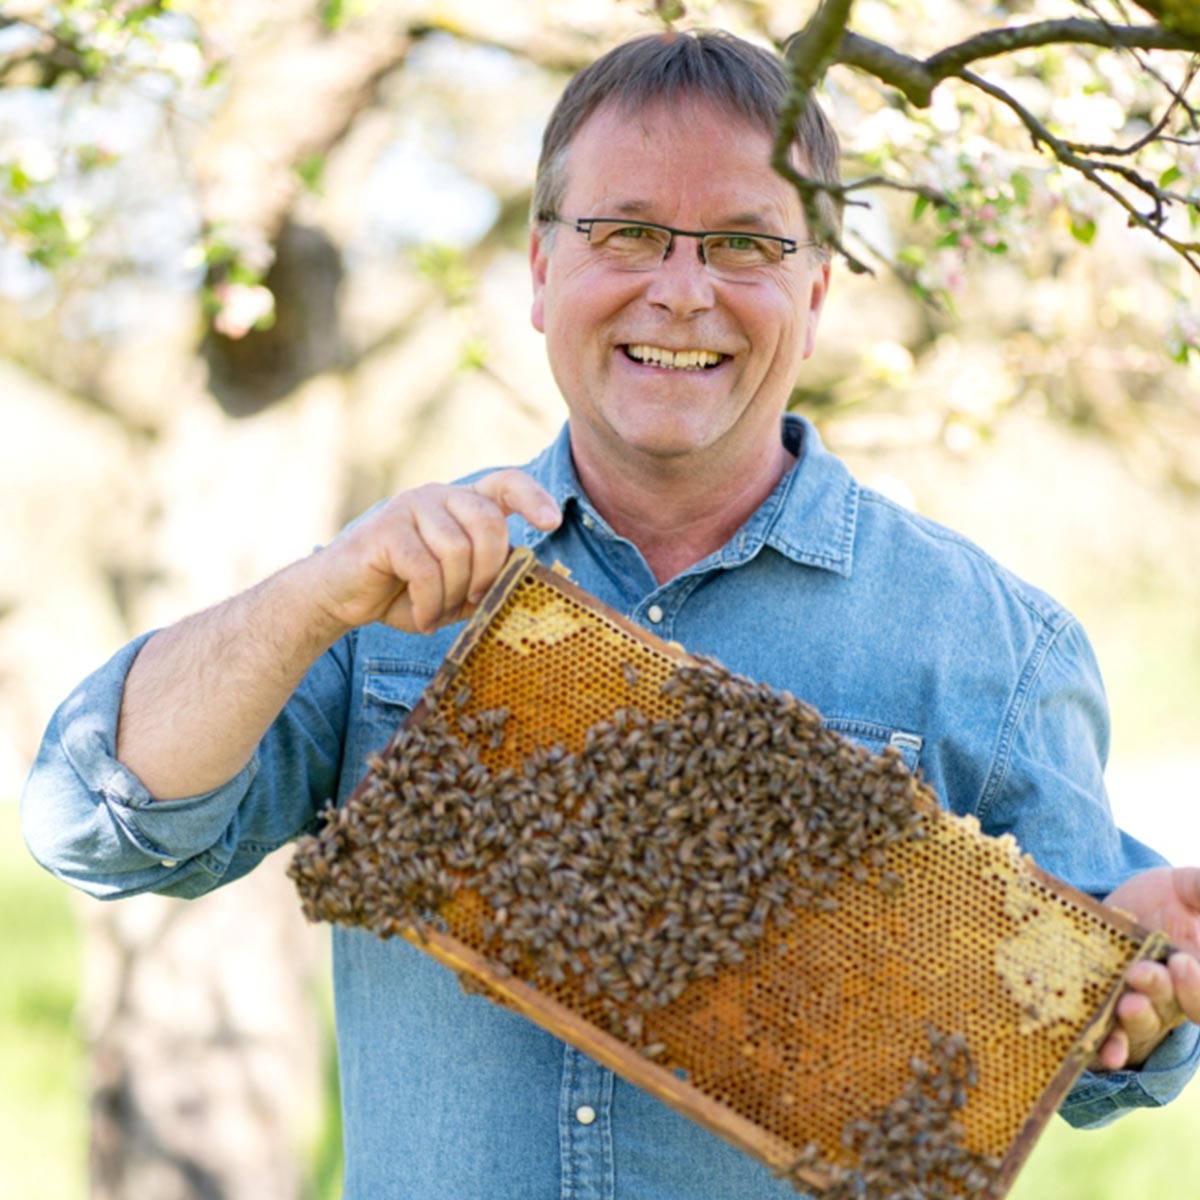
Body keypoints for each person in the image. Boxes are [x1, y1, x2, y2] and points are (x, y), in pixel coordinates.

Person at [21, 29, 1200, 1200]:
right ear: (540, 271)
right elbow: (98, 824)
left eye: (743, 244)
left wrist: (1130, 989)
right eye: (627, 231)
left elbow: (1084, 1065)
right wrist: (311, 596)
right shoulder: (389, 590)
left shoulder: (994, 641)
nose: (681, 292)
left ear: (817, 289)